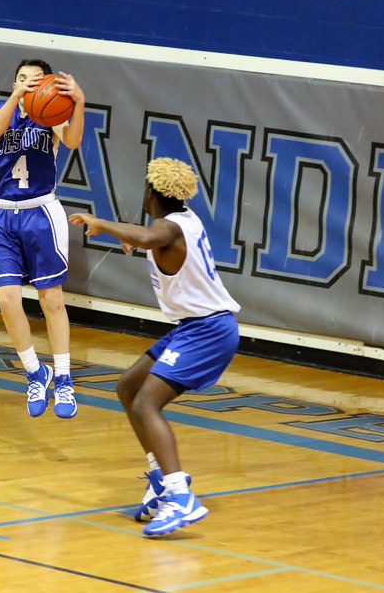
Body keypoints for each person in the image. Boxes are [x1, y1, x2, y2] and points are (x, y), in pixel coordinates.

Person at [68, 157, 241, 537]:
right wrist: (133, 239)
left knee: (147, 404)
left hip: (207, 330)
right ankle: (162, 478)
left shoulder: (166, 228)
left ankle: (180, 496)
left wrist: (103, 224)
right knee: (128, 387)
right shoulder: (185, 219)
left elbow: (153, 236)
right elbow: (154, 240)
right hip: (194, 327)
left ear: (152, 192)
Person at [0, 59, 85, 419]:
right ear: (14, 83)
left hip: (41, 213)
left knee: (52, 300)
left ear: (47, 86)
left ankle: (63, 378)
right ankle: (33, 371)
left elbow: (73, 141)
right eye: (22, 79)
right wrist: (16, 97)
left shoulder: (52, 117)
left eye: (35, 80)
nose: (28, 84)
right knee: (8, 299)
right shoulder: (0, 110)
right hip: (2, 215)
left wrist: (80, 102)